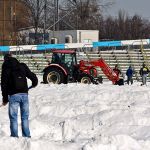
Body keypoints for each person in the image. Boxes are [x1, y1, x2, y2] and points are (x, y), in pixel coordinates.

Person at [1, 54, 38, 138]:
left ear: (5, 60)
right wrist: (35, 82)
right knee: (25, 117)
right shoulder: (22, 66)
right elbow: (32, 76)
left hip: (13, 95)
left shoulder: (6, 68)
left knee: (13, 118)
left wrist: (5, 98)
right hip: (24, 94)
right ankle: (27, 137)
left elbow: (4, 84)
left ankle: (14, 137)